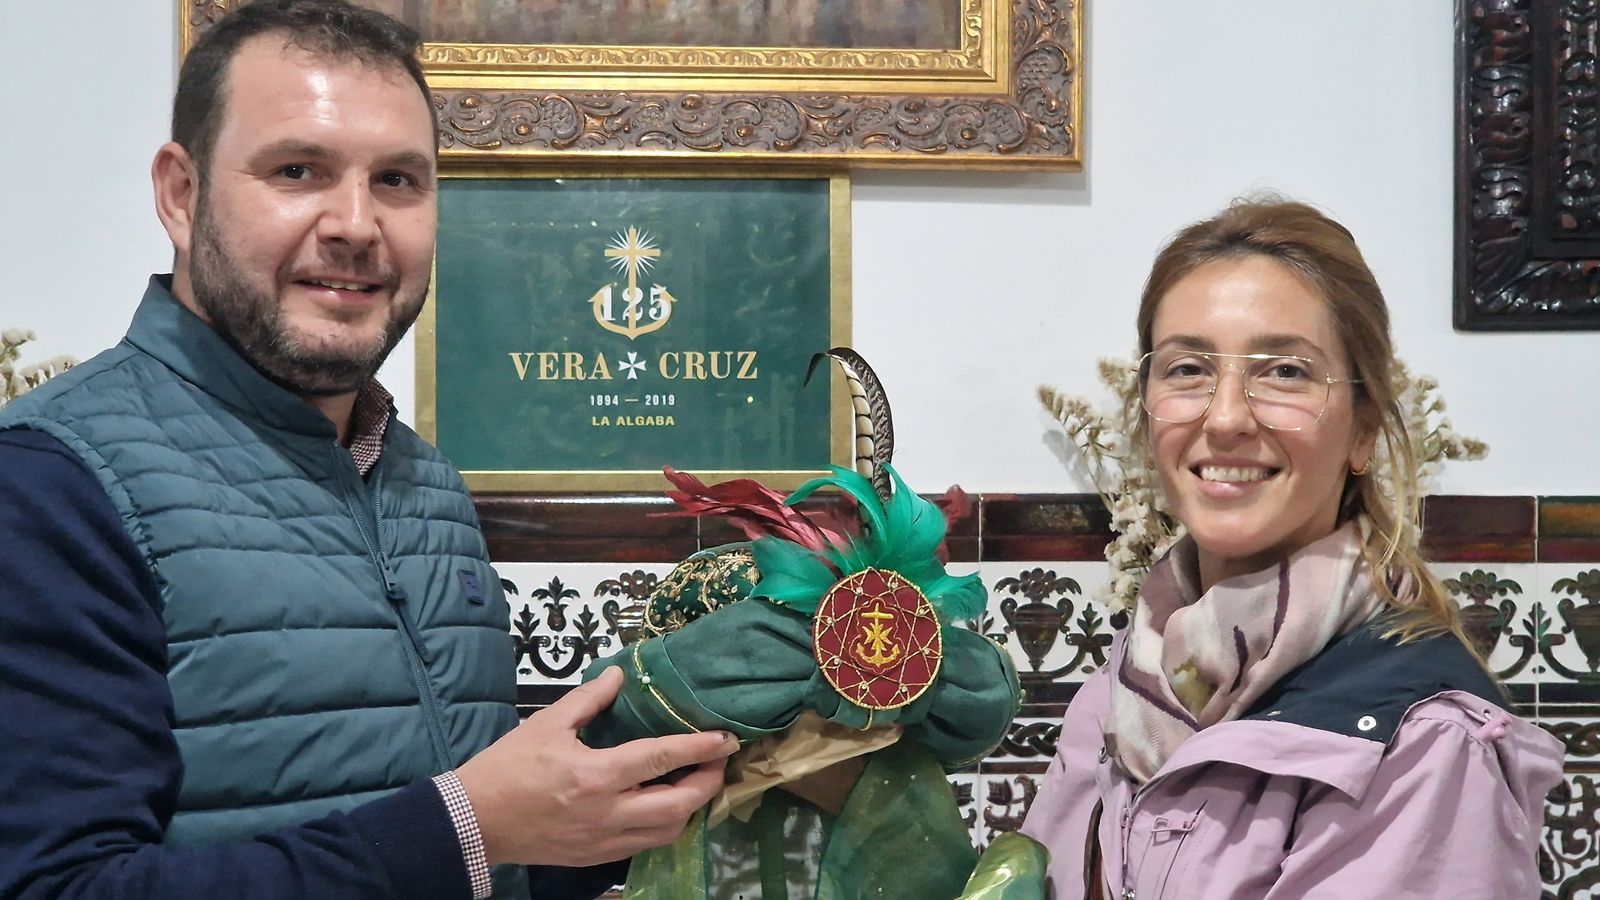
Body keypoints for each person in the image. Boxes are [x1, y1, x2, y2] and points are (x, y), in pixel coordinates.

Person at [0, 2, 737, 898]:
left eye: (397, 180)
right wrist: (464, 827)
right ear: (181, 195)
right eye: (297, 169)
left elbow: (492, 859)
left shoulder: (426, 484)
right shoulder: (47, 485)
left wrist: (746, 741)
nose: (355, 224)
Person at [1019, 198, 1564, 899]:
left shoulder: (1422, 745)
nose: (1225, 418)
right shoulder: (1123, 689)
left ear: (1364, 428)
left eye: (1285, 372)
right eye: (1187, 368)